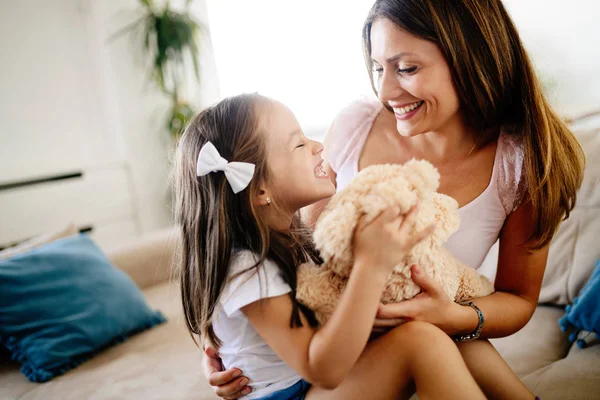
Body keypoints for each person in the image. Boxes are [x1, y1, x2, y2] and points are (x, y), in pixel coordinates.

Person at [203, 0, 584, 399]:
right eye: (378, 68)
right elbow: (294, 256)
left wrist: (452, 316)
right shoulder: (355, 126)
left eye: (406, 68)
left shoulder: (524, 164)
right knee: (424, 336)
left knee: (437, 333)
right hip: (331, 353)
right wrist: (235, 349)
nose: (385, 91)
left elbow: (519, 299)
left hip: (389, 345)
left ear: (471, 59)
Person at [173, 92, 488, 399]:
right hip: (296, 391)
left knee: (441, 328)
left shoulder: (292, 238)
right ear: (260, 190)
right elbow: (321, 369)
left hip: (309, 386)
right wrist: (371, 265)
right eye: (299, 143)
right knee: (421, 343)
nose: (318, 146)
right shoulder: (247, 268)